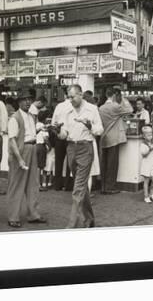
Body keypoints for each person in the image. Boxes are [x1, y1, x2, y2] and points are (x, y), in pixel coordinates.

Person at [57, 84, 104, 228]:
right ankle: (89, 218)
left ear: (81, 94)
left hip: (85, 147)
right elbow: (64, 133)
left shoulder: (92, 109)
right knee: (82, 185)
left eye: (72, 97)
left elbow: (100, 130)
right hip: (71, 147)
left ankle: (72, 224)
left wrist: (90, 126)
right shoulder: (67, 110)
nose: (70, 100)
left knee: (77, 188)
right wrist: (58, 131)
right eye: (68, 97)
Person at [6, 89, 46, 228]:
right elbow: (12, 141)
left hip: (32, 148)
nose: (28, 102)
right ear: (19, 102)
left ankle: (33, 214)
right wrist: (19, 159)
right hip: (21, 151)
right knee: (16, 185)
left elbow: (29, 133)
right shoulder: (14, 118)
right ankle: (13, 216)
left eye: (30, 99)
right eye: (25, 99)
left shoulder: (31, 116)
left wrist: (42, 129)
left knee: (33, 184)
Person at [99, 87, 133, 194]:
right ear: (114, 95)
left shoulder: (101, 107)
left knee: (104, 163)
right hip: (113, 138)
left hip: (104, 138)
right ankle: (110, 187)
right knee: (112, 165)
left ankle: (103, 186)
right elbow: (130, 110)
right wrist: (123, 98)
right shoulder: (115, 106)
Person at [52, 88, 73, 191]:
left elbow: (53, 123)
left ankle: (57, 184)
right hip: (70, 136)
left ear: (65, 95)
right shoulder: (75, 106)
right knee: (70, 162)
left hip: (59, 135)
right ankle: (68, 185)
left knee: (58, 161)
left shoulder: (59, 106)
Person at [82, 91, 101, 194]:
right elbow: (99, 130)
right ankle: (86, 194)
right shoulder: (94, 109)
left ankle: (84, 195)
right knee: (88, 172)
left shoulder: (92, 110)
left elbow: (98, 129)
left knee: (84, 172)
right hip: (88, 142)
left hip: (85, 142)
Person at [139, 126, 153, 203]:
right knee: (146, 180)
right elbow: (143, 154)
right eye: (148, 135)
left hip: (152, 163)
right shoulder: (143, 144)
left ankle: (152, 193)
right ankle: (146, 196)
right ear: (144, 136)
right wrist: (149, 149)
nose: (150, 137)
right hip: (146, 164)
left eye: (151, 135)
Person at [36, 110, 53, 191]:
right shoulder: (44, 127)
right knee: (40, 167)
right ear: (44, 119)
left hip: (35, 145)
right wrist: (49, 147)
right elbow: (46, 138)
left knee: (36, 166)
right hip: (41, 147)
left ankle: (35, 184)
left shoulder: (35, 125)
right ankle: (39, 185)